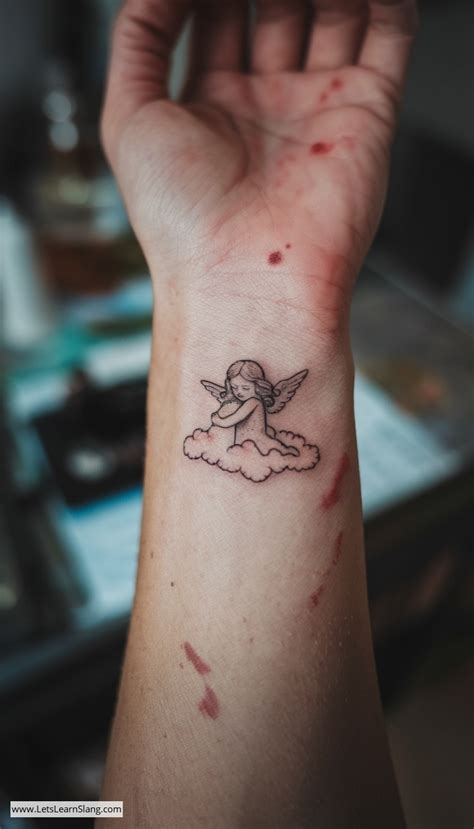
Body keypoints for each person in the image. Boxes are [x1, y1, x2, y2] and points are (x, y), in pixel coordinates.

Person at [97, 1, 417, 826]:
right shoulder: (244, 396)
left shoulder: (255, 400)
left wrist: (255, 293)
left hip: (262, 432)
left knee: (252, 445)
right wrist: (224, 279)